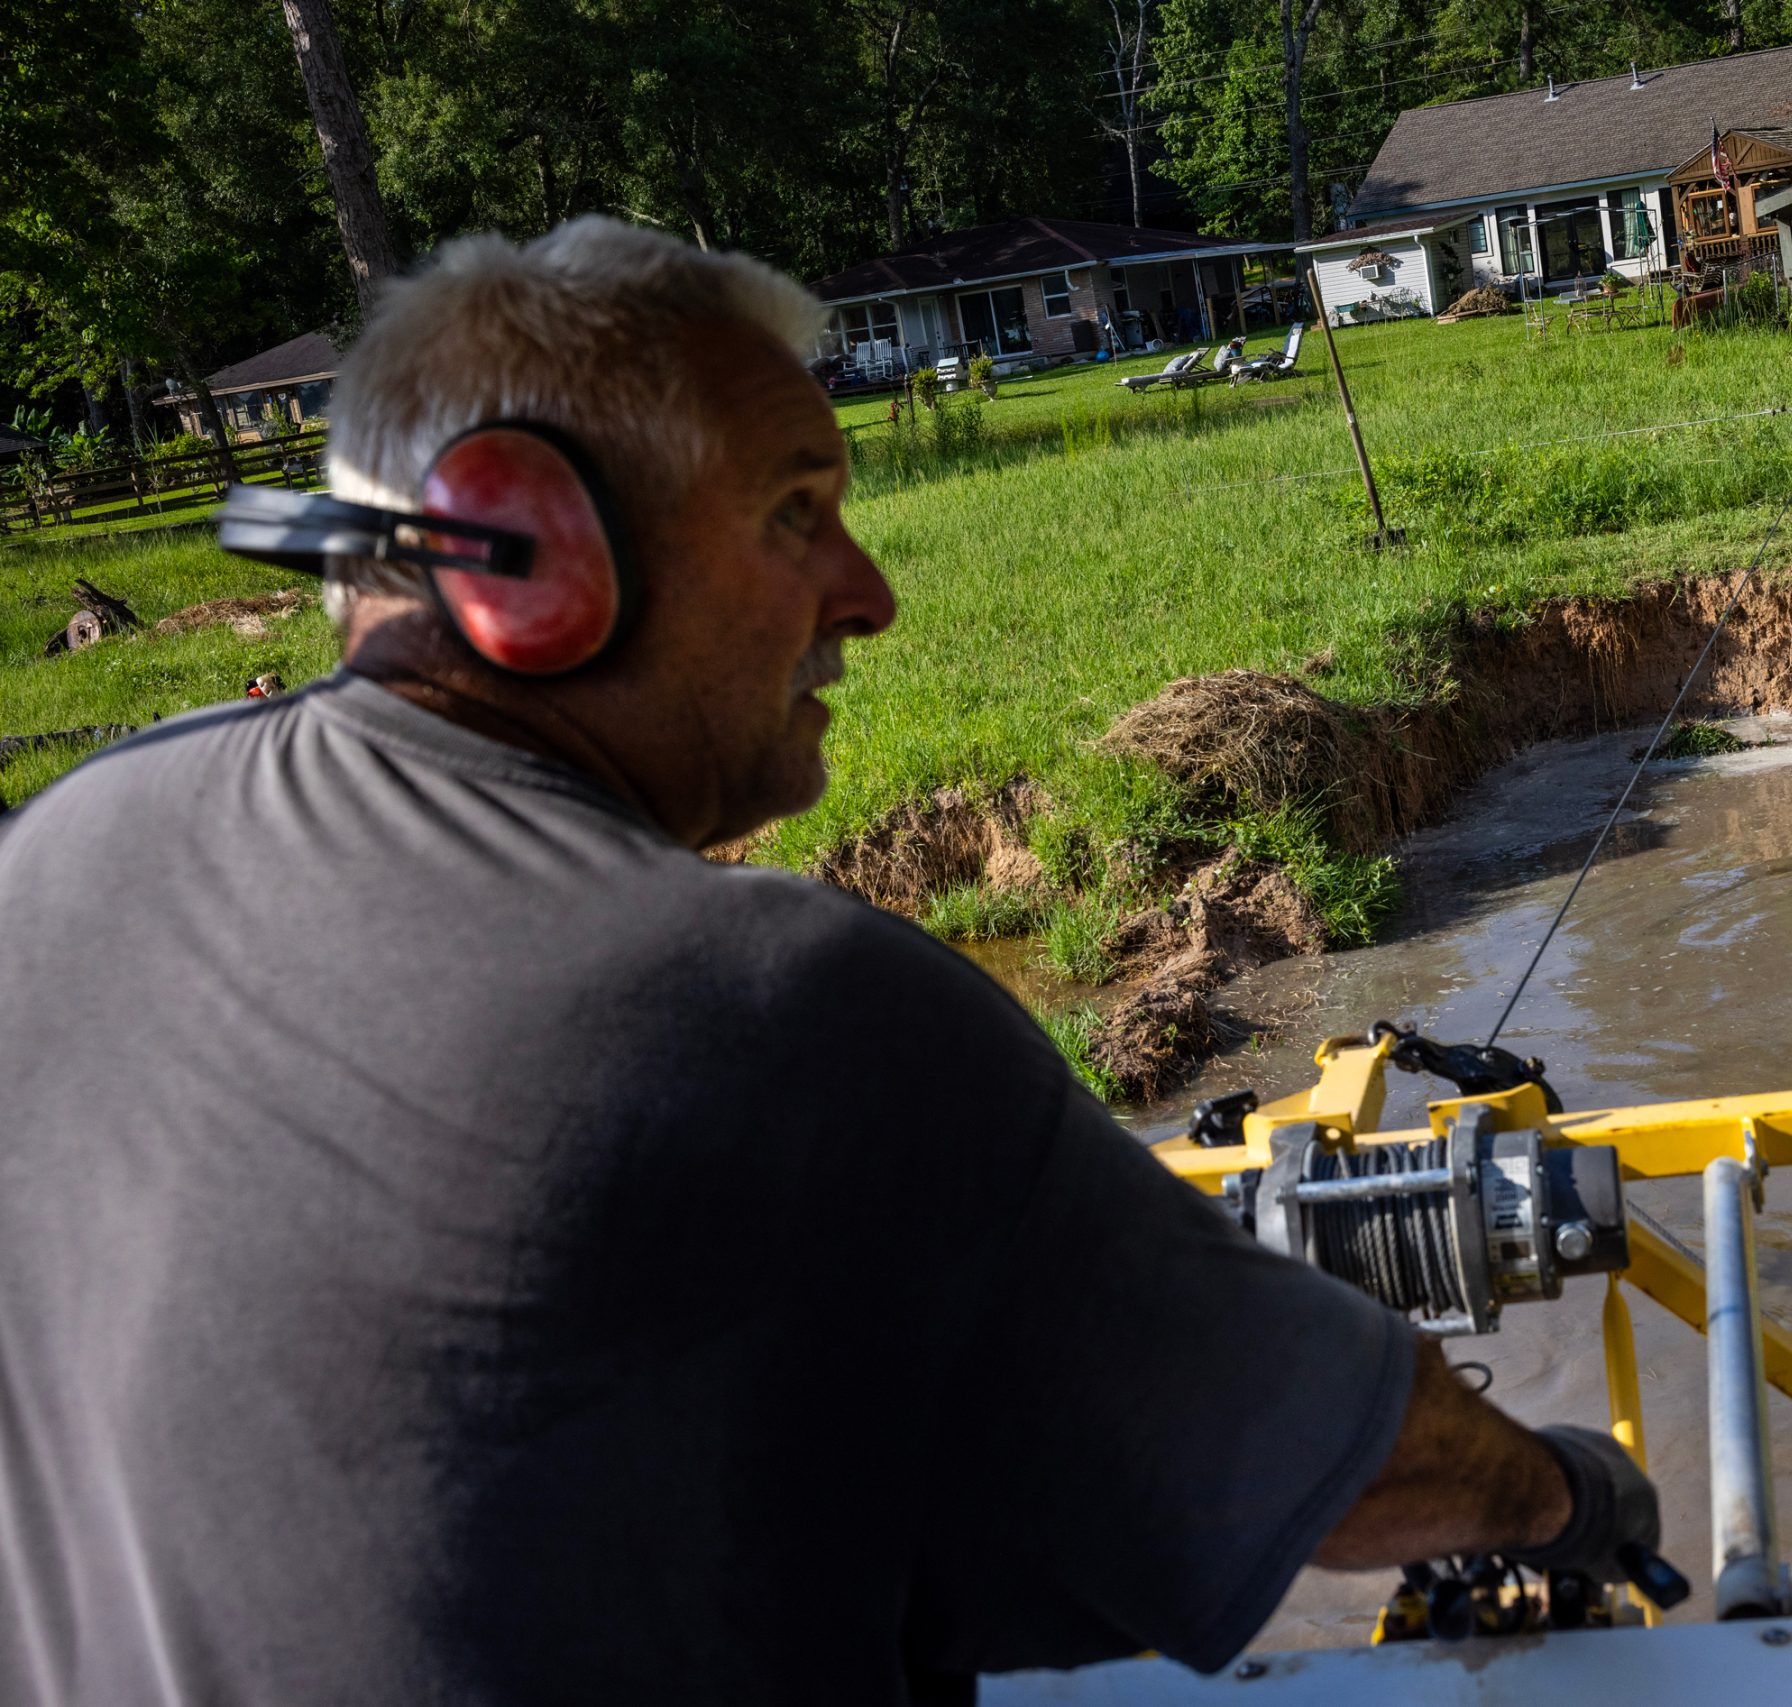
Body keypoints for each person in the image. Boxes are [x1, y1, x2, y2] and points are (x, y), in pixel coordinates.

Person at [0, 218, 1660, 1706]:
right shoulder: (777, 1001)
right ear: (525, 553)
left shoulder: (57, 854)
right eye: (798, 513)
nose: (865, 598)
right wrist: (1573, 1494)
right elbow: (1351, 1472)